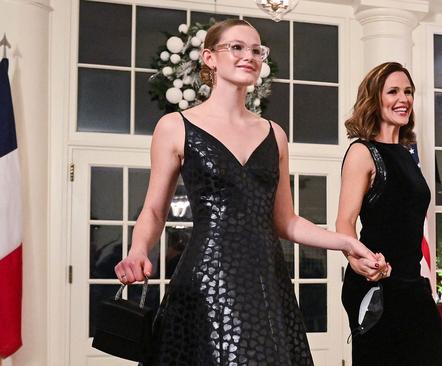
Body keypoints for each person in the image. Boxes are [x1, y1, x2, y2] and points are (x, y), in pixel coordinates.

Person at [114, 18, 383, 365]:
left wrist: (347, 242)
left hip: (265, 279)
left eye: (256, 50)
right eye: (237, 48)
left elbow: (286, 222)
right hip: (207, 280)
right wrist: (138, 249)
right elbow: (153, 210)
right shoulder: (175, 126)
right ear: (209, 58)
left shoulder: (275, 134)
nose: (249, 56)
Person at [337, 62, 442, 365]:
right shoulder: (362, 152)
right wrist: (357, 259)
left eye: (408, 92)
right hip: (377, 284)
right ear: (374, 99)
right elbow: (345, 221)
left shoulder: (405, 154)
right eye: (393, 91)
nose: (403, 99)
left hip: (411, 283)